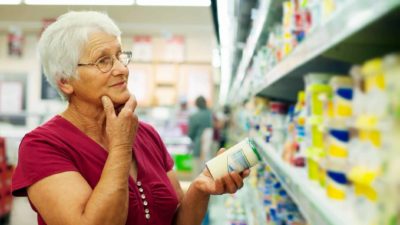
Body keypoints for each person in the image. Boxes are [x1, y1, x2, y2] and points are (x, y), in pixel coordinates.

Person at [11, 11, 249, 225]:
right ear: (65, 81)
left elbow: (176, 221)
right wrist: (122, 145)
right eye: (103, 61)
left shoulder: (146, 134)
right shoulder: (42, 146)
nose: (122, 69)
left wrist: (200, 188)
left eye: (119, 56)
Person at [188, 96, 214, 171]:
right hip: (211, 148)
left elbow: (191, 134)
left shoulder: (194, 116)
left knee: (197, 172)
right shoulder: (211, 114)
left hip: (198, 147)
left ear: (196, 104)